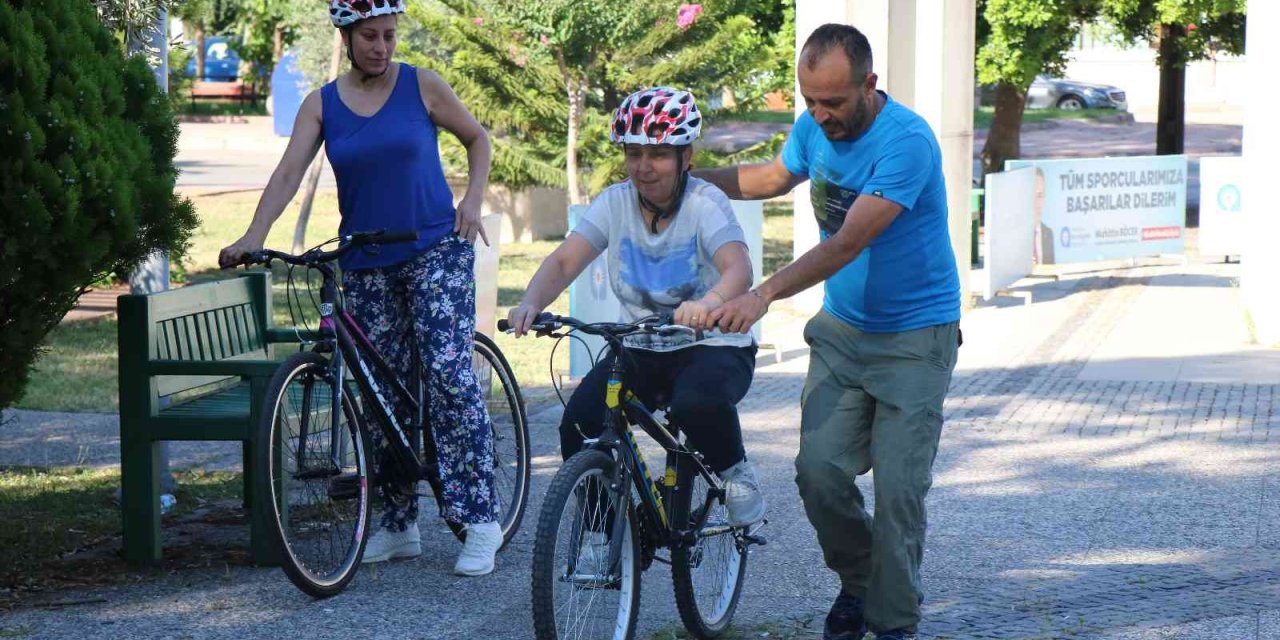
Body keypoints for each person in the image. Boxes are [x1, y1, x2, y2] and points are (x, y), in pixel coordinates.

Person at [218, 0, 504, 577]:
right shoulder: (321, 105)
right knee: (378, 394)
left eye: (390, 35)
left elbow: (478, 139)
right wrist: (253, 234)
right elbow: (287, 173)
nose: (381, 46)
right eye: (370, 36)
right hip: (366, 261)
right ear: (347, 38)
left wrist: (471, 200)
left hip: (433, 251)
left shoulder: (423, 86)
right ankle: (398, 525)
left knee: (448, 375)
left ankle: (480, 519)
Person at [696, 24, 961, 640]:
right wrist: (686, 176)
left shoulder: (908, 142)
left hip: (915, 341)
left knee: (898, 492)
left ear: (869, 84)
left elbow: (847, 241)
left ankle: (892, 622)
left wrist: (762, 293)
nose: (821, 115)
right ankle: (862, 583)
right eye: (811, 101)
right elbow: (769, 179)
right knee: (818, 473)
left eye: (834, 102)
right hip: (842, 334)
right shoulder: (814, 124)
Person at [507, 87, 767, 530]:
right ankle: (602, 531)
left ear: (686, 158)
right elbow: (566, 259)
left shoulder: (705, 203)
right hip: (641, 346)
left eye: (659, 154)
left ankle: (736, 471)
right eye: (633, 153)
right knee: (580, 423)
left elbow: (737, 269)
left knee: (695, 403)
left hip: (713, 343)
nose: (644, 167)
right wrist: (531, 301)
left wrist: (708, 302)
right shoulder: (615, 203)